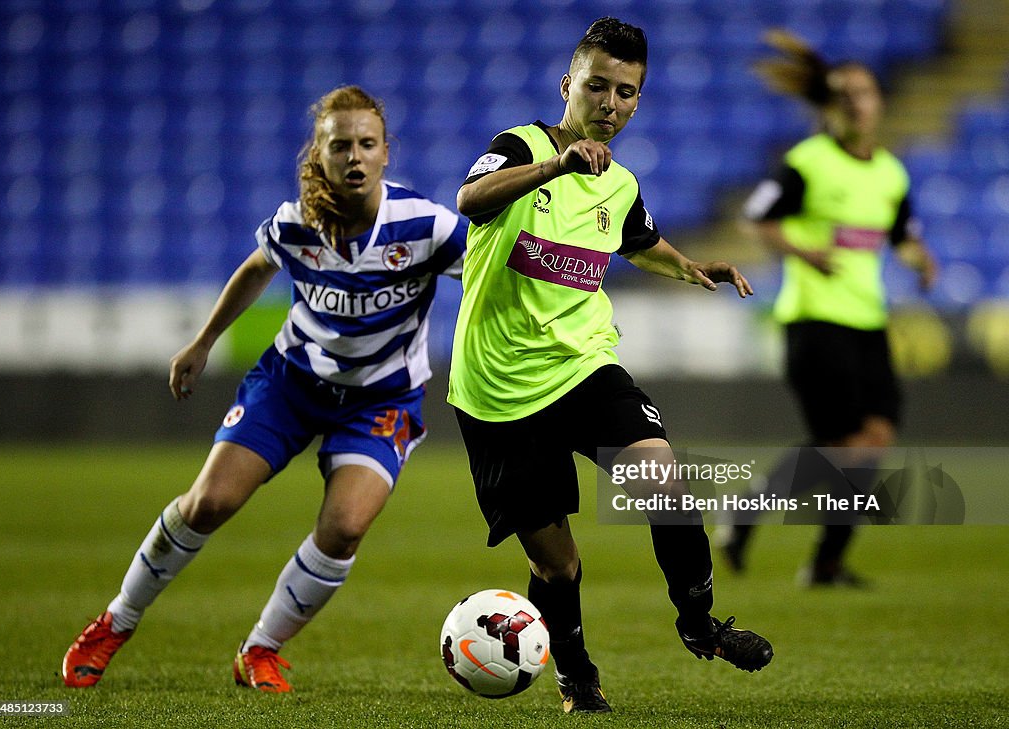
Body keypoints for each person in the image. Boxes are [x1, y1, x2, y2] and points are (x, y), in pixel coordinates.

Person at [61, 85, 467, 692]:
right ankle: (116, 621)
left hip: (382, 398)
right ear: (320, 154)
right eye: (340, 146)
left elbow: (492, 272)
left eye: (366, 144)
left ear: (387, 153)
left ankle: (261, 649)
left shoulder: (427, 227)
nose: (354, 157)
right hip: (291, 382)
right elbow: (257, 267)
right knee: (208, 504)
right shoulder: (296, 223)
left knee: (345, 527)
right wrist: (202, 342)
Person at [448, 17, 773, 714]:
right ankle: (575, 674)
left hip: (584, 366)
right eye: (598, 86)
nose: (611, 104)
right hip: (498, 389)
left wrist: (690, 268)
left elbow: (640, 240)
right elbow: (469, 200)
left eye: (627, 92)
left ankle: (699, 623)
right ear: (569, 85)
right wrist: (556, 166)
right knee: (556, 563)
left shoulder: (618, 184)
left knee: (664, 480)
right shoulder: (520, 146)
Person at [719, 31, 938, 584]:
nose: (856, 103)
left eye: (865, 93)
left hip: (868, 321)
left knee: (873, 442)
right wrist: (803, 251)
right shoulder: (807, 163)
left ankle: (810, 553)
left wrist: (919, 258)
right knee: (845, 446)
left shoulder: (890, 172)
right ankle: (794, 542)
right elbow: (757, 219)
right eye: (845, 94)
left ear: (879, 102)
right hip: (814, 319)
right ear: (830, 105)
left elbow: (901, 234)